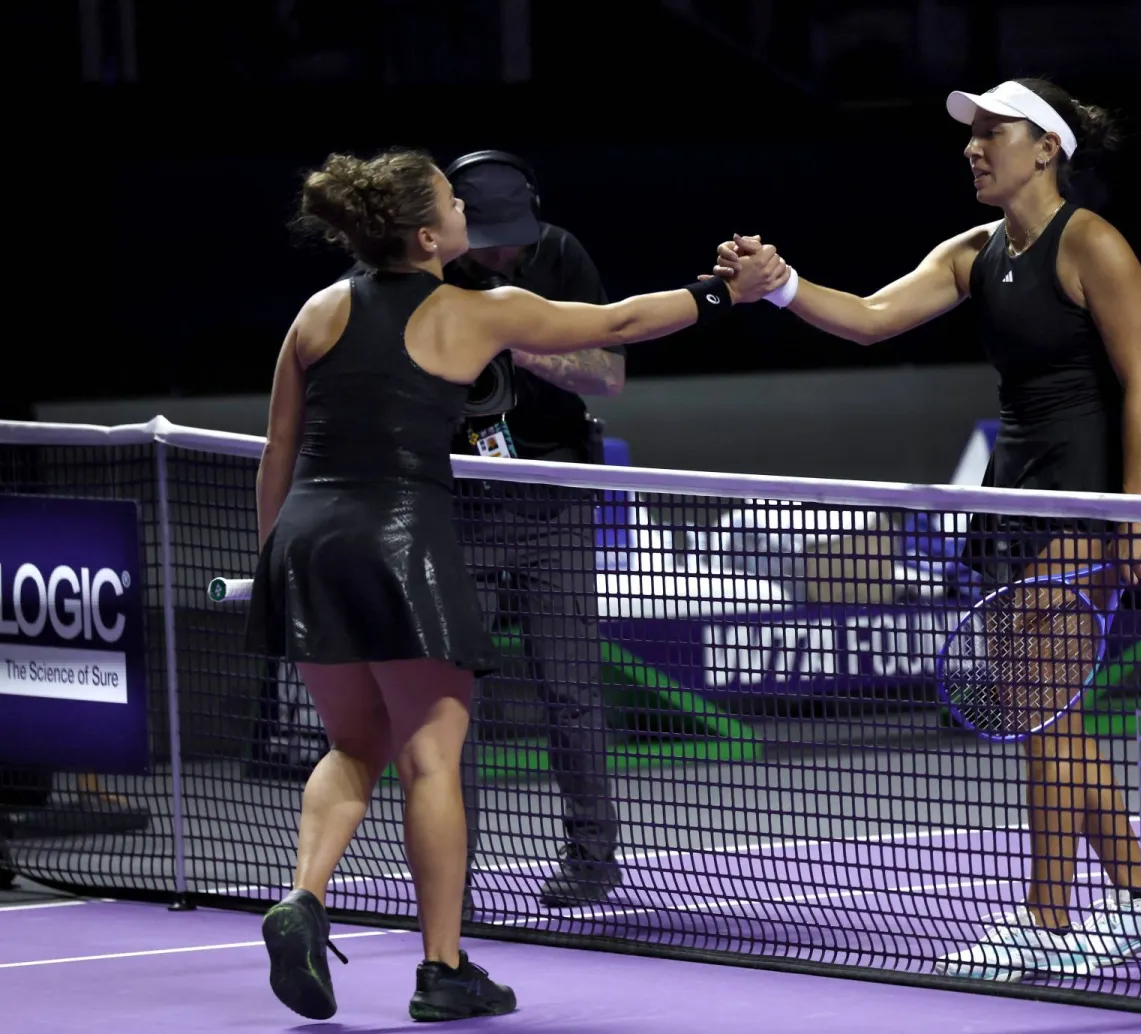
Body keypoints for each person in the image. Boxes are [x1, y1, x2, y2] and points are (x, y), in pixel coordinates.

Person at [245, 147, 787, 1022]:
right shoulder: (473, 311)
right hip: (403, 542)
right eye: (453, 202)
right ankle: (443, 968)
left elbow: (279, 451)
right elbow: (617, 325)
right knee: (430, 762)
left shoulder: (318, 310)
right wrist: (730, 291)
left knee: (351, 746)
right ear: (428, 234)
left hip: (308, 542)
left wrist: (275, 564)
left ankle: (302, 899)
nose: (466, 210)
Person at [709, 78, 1141, 981]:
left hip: (1082, 500)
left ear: (1046, 147)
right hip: (1015, 493)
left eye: (993, 133)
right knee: (1053, 710)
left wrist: (1136, 510)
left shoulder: (1095, 245)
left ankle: (1048, 920)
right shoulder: (973, 252)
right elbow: (870, 319)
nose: (973, 147)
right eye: (970, 136)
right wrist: (780, 287)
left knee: (1042, 712)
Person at [442, 150, 625, 909]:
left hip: (556, 497)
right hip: (459, 503)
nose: (501, 253)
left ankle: (591, 858)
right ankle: (451, 865)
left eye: (511, 236)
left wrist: (509, 337)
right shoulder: (427, 270)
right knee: (454, 701)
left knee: (570, 689)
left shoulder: (560, 254)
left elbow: (607, 375)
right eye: (487, 239)